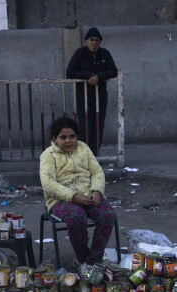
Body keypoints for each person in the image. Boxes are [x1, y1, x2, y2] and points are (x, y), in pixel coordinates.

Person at [39, 117, 117, 273]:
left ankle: (93, 262)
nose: (68, 141)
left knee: (108, 215)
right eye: (63, 137)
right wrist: (73, 196)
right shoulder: (48, 155)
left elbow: (97, 172)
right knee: (76, 216)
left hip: (88, 196)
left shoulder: (84, 148)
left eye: (72, 136)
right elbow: (48, 184)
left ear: (76, 136)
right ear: (54, 138)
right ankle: (83, 259)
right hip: (61, 201)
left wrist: (97, 191)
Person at [66, 27, 117, 156]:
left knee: (98, 126)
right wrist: (88, 75)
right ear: (86, 41)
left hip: (100, 97)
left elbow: (113, 70)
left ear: (100, 42)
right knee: (84, 127)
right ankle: (83, 155)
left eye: (97, 40)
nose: (94, 43)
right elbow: (70, 72)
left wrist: (98, 77)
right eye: (91, 40)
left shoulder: (104, 53)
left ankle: (95, 154)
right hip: (83, 97)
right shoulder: (79, 53)